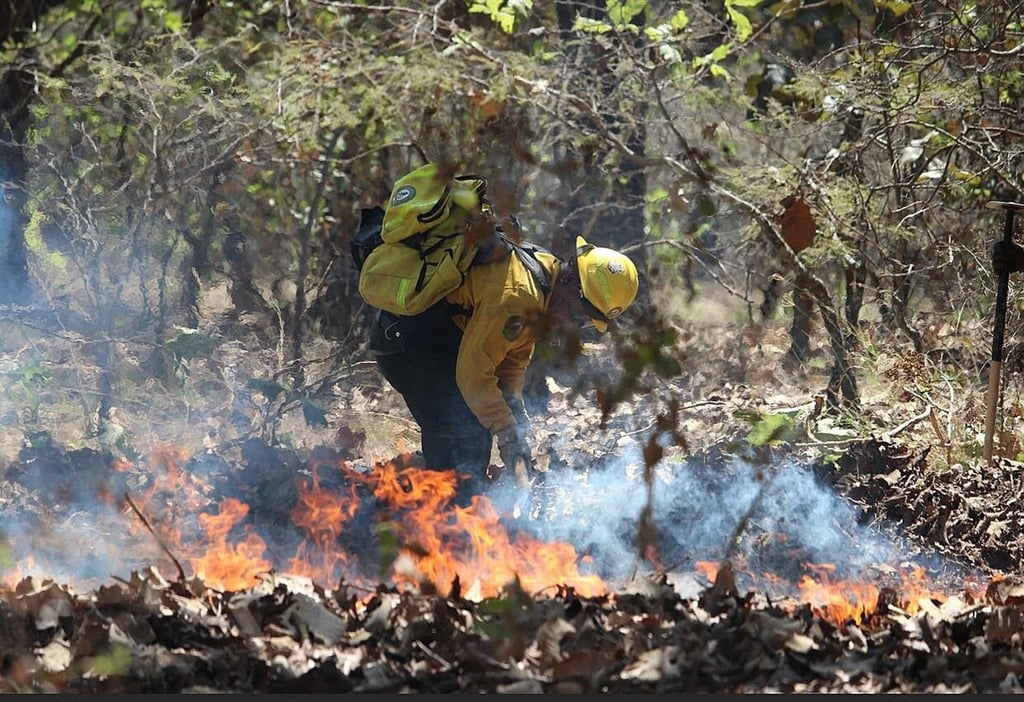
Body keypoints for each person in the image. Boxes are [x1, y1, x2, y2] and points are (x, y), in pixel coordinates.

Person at [366, 164, 640, 502]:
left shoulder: (544, 278)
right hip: (409, 342)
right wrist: (506, 431)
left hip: (434, 340)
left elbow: (510, 362)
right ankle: (438, 527)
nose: (576, 326)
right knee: (462, 434)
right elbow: (472, 376)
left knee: (473, 432)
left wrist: (515, 420)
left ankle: (453, 519)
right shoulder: (519, 297)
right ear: (572, 284)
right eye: (582, 315)